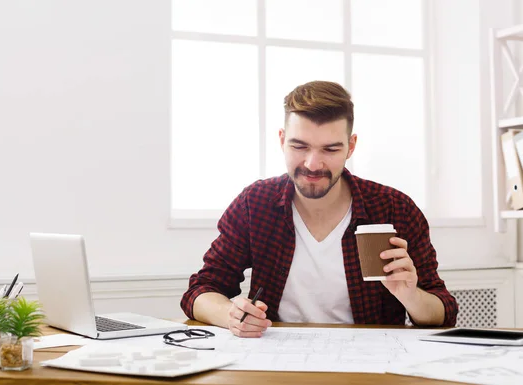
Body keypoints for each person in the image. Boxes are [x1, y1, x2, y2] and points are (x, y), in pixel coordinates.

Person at [180, 80, 458, 338]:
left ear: (351, 147)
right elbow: (200, 291)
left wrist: (410, 296)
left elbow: (444, 314)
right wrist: (231, 315)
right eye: (299, 146)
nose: (313, 164)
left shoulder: (395, 208)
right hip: (275, 358)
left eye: (330, 149)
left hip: (372, 362)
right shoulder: (256, 203)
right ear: (281, 140)